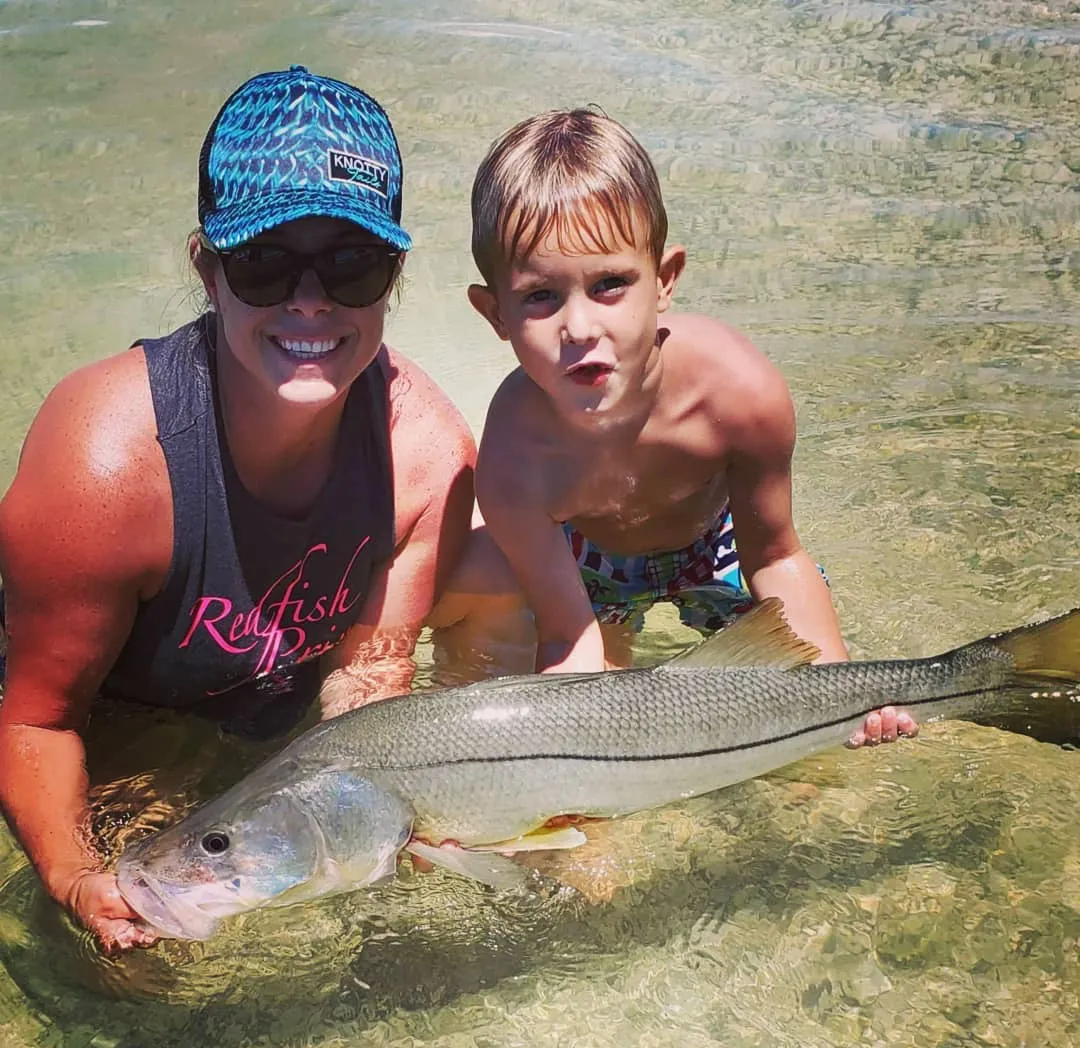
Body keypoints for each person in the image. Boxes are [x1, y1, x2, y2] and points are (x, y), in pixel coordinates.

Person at [0, 66, 475, 954]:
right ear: (207, 269)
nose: (309, 300)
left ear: (395, 274)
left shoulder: (429, 461)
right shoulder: (106, 464)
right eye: (263, 262)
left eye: (351, 264)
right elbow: (38, 717)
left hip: (263, 745)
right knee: (120, 979)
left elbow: (369, 683)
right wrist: (74, 875)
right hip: (109, 726)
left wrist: (376, 827)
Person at [431, 107, 916, 749]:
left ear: (664, 281)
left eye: (609, 285)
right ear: (494, 312)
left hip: (718, 547)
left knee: (813, 753)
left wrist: (833, 690)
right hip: (589, 569)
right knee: (598, 734)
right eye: (540, 296)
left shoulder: (739, 395)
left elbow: (774, 554)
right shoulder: (516, 458)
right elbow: (565, 633)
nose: (579, 328)